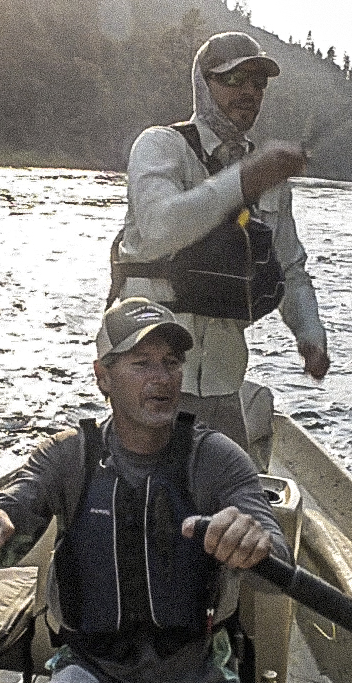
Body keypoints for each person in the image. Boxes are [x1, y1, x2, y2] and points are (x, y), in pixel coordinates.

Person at [0, 296, 289, 683]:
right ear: (103, 376)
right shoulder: (66, 457)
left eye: (171, 363)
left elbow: (277, 559)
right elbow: (3, 534)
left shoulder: (218, 458)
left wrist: (254, 541)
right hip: (85, 682)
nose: (162, 378)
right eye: (141, 363)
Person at [109, 31, 330, 452]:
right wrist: (246, 178)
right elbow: (159, 227)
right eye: (233, 80)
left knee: (234, 503)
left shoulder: (267, 178)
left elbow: (290, 269)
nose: (248, 91)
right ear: (202, 83)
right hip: (148, 381)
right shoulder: (159, 145)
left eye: (257, 83)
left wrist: (310, 334)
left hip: (223, 385)